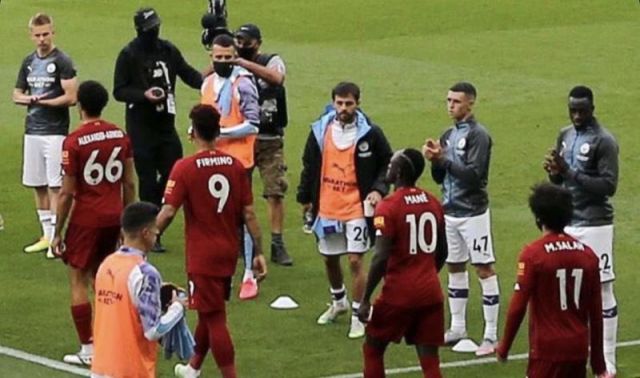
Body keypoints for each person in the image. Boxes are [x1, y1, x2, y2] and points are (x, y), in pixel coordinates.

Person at [156, 104, 267, 378]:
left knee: (215, 317)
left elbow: (168, 211)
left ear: (192, 132)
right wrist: (259, 251)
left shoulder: (184, 168)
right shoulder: (235, 166)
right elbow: (249, 213)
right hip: (228, 252)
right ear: (218, 132)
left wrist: (147, 237)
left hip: (202, 255)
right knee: (211, 309)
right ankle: (193, 367)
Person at [297, 82, 392, 339]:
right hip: (327, 205)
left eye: (349, 103)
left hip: (357, 208)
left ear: (358, 103)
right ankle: (339, 301)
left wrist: (378, 189)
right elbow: (309, 164)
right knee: (329, 258)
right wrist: (305, 197)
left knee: (354, 259)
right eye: (339, 103)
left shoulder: (370, 133)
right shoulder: (320, 130)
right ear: (333, 102)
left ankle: (359, 312)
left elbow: (387, 161)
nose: (344, 108)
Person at [51, 80, 135, 365]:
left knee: (78, 279)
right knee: (107, 280)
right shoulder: (120, 134)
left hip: (87, 219)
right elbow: (129, 182)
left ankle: (88, 348)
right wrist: (128, 224)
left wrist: (57, 231)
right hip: (115, 217)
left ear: (80, 106)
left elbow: (66, 193)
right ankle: (113, 341)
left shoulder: (73, 141)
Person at [113, 7, 203, 252]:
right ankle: (152, 229)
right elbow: (119, 90)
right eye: (150, 27)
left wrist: (212, 82)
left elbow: (187, 73)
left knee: (171, 172)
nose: (155, 31)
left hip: (165, 125)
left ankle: (156, 218)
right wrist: (144, 95)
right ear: (141, 30)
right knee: (146, 177)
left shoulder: (168, 50)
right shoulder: (129, 54)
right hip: (141, 126)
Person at [543, 85, 619, 376]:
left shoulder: (605, 141)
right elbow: (560, 180)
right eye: (572, 110)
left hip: (596, 223)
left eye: (582, 110)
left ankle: (607, 358)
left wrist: (568, 172)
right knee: (566, 289)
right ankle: (570, 352)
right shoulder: (565, 134)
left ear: (592, 108)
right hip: (567, 224)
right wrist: (553, 172)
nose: (576, 115)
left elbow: (608, 187)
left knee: (601, 289)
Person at [496, 183, 607, 378]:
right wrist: (599, 364)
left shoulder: (533, 255)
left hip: (547, 351)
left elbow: (517, 306)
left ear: (538, 217)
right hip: (578, 349)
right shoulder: (588, 256)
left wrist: (504, 347)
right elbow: (596, 312)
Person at [422, 81, 499, 356]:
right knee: (455, 267)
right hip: (450, 211)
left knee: (483, 269)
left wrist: (443, 160)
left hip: (473, 213)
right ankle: (458, 327)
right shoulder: (448, 134)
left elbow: (476, 177)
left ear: (470, 103)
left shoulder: (479, 136)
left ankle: (490, 335)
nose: (450, 105)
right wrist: (434, 160)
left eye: (456, 101)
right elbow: (440, 177)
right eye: (448, 100)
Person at [358, 148, 447, 378]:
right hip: (431, 292)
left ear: (399, 172)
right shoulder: (433, 202)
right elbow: (443, 251)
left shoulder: (388, 206)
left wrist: (365, 298)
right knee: (429, 359)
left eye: (391, 164)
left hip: (399, 294)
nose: (388, 167)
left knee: (373, 348)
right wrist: (425, 272)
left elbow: (380, 256)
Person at [91, 202, 187, 378]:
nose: (156, 236)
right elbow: (153, 331)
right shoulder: (146, 274)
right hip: (131, 370)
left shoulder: (106, 265)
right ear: (146, 233)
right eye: (156, 232)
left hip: (101, 367)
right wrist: (178, 307)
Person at [200, 33, 262, 299]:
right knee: (213, 213)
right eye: (218, 58)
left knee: (242, 214)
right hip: (212, 158)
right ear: (211, 57)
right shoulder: (208, 84)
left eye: (228, 58)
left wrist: (221, 133)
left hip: (239, 160)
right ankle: (218, 266)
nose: (223, 62)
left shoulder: (243, 84)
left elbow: (254, 124)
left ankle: (249, 272)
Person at [13, 12, 77, 257]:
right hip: (32, 131)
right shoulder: (28, 62)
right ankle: (46, 236)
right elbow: (16, 93)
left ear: (53, 33)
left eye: (46, 34)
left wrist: (46, 102)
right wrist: (29, 99)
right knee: (37, 184)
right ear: (31, 36)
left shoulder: (62, 61)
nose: (42, 39)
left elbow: (72, 96)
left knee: (55, 185)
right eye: (38, 35)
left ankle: (56, 239)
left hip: (55, 132)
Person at [234, 23, 292, 266]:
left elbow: (277, 78)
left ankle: (277, 243)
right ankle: (242, 240)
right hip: (243, 138)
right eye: (238, 40)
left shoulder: (271, 60)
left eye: (246, 41)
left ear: (258, 43)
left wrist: (244, 64)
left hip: (270, 138)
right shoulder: (231, 64)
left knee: (274, 191)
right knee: (239, 194)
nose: (241, 45)